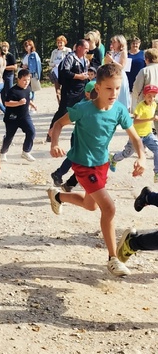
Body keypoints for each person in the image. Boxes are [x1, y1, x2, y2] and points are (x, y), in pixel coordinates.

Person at [47, 63, 145, 278]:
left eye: (117, 89)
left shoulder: (118, 110)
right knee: (108, 208)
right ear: (98, 88)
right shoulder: (83, 109)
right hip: (83, 165)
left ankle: (58, 196)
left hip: (101, 165)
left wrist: (142, 157)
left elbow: (135, 138)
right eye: (109, 88)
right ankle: (113, 259)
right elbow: (58, 125)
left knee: (90, 205)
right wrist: (55, 144)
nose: (114, 93)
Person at [110, 84, 158, 182]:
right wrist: (151, 119)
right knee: (127, 153)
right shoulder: (140, 106)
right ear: (144, 96)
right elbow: (135, 121)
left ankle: (157, 173)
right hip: (136, 136)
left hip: (148, 134)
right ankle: (113, 158)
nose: (152, 98)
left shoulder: (154, 104)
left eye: (154, 96)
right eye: (149, 96)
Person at [46, 39, 90, 142]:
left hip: (81, 90)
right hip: (69, 91)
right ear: (79, 48)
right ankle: (51, 133)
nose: (87, 51)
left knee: (84, 111)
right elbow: (65, 72)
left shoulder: (83, 58)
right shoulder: (70, 58)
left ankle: (82, 135)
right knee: (62, 112)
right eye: (86, 48)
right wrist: (79, 76)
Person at [0, 69, 37, 162]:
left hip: (24, 116)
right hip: (12, 117)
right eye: (24, 80)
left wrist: (32, 104)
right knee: (9, 136)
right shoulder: (13, 91)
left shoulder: (28, 88)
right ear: (18, 79)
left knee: (31, 131)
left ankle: (26, 151)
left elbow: (27, 99)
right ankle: (3, 152)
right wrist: (18, 103)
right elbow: (7, 103)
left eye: (28, 80)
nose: (26, 82)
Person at [131, 48, 158, 129]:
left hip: (146, 101)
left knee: (143, 126)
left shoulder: (144, 71)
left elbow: (137, 87)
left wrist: (136, 99)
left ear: (146, 59)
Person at [104, 34, 131, 110]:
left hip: (119, 75)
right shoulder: (112, 52)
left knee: (120, 95)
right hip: (111, 74)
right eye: (111, 42)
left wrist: (112, 60)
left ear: (120, 43)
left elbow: (122, 66)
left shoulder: (123, 52)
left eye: (114, 42)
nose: (112, 43)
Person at [48, 36, 71, 103]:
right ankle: (60, 105)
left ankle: (65, 104)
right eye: (58, 43)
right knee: (57, 91)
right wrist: (54, 65)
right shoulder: (54, 52)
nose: (59, 44)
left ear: (64, 43)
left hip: (64, 73)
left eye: (61, 42)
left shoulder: (68, 50)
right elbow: (50, 63)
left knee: (65, 90)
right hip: (55, 72)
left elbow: (70, 61)